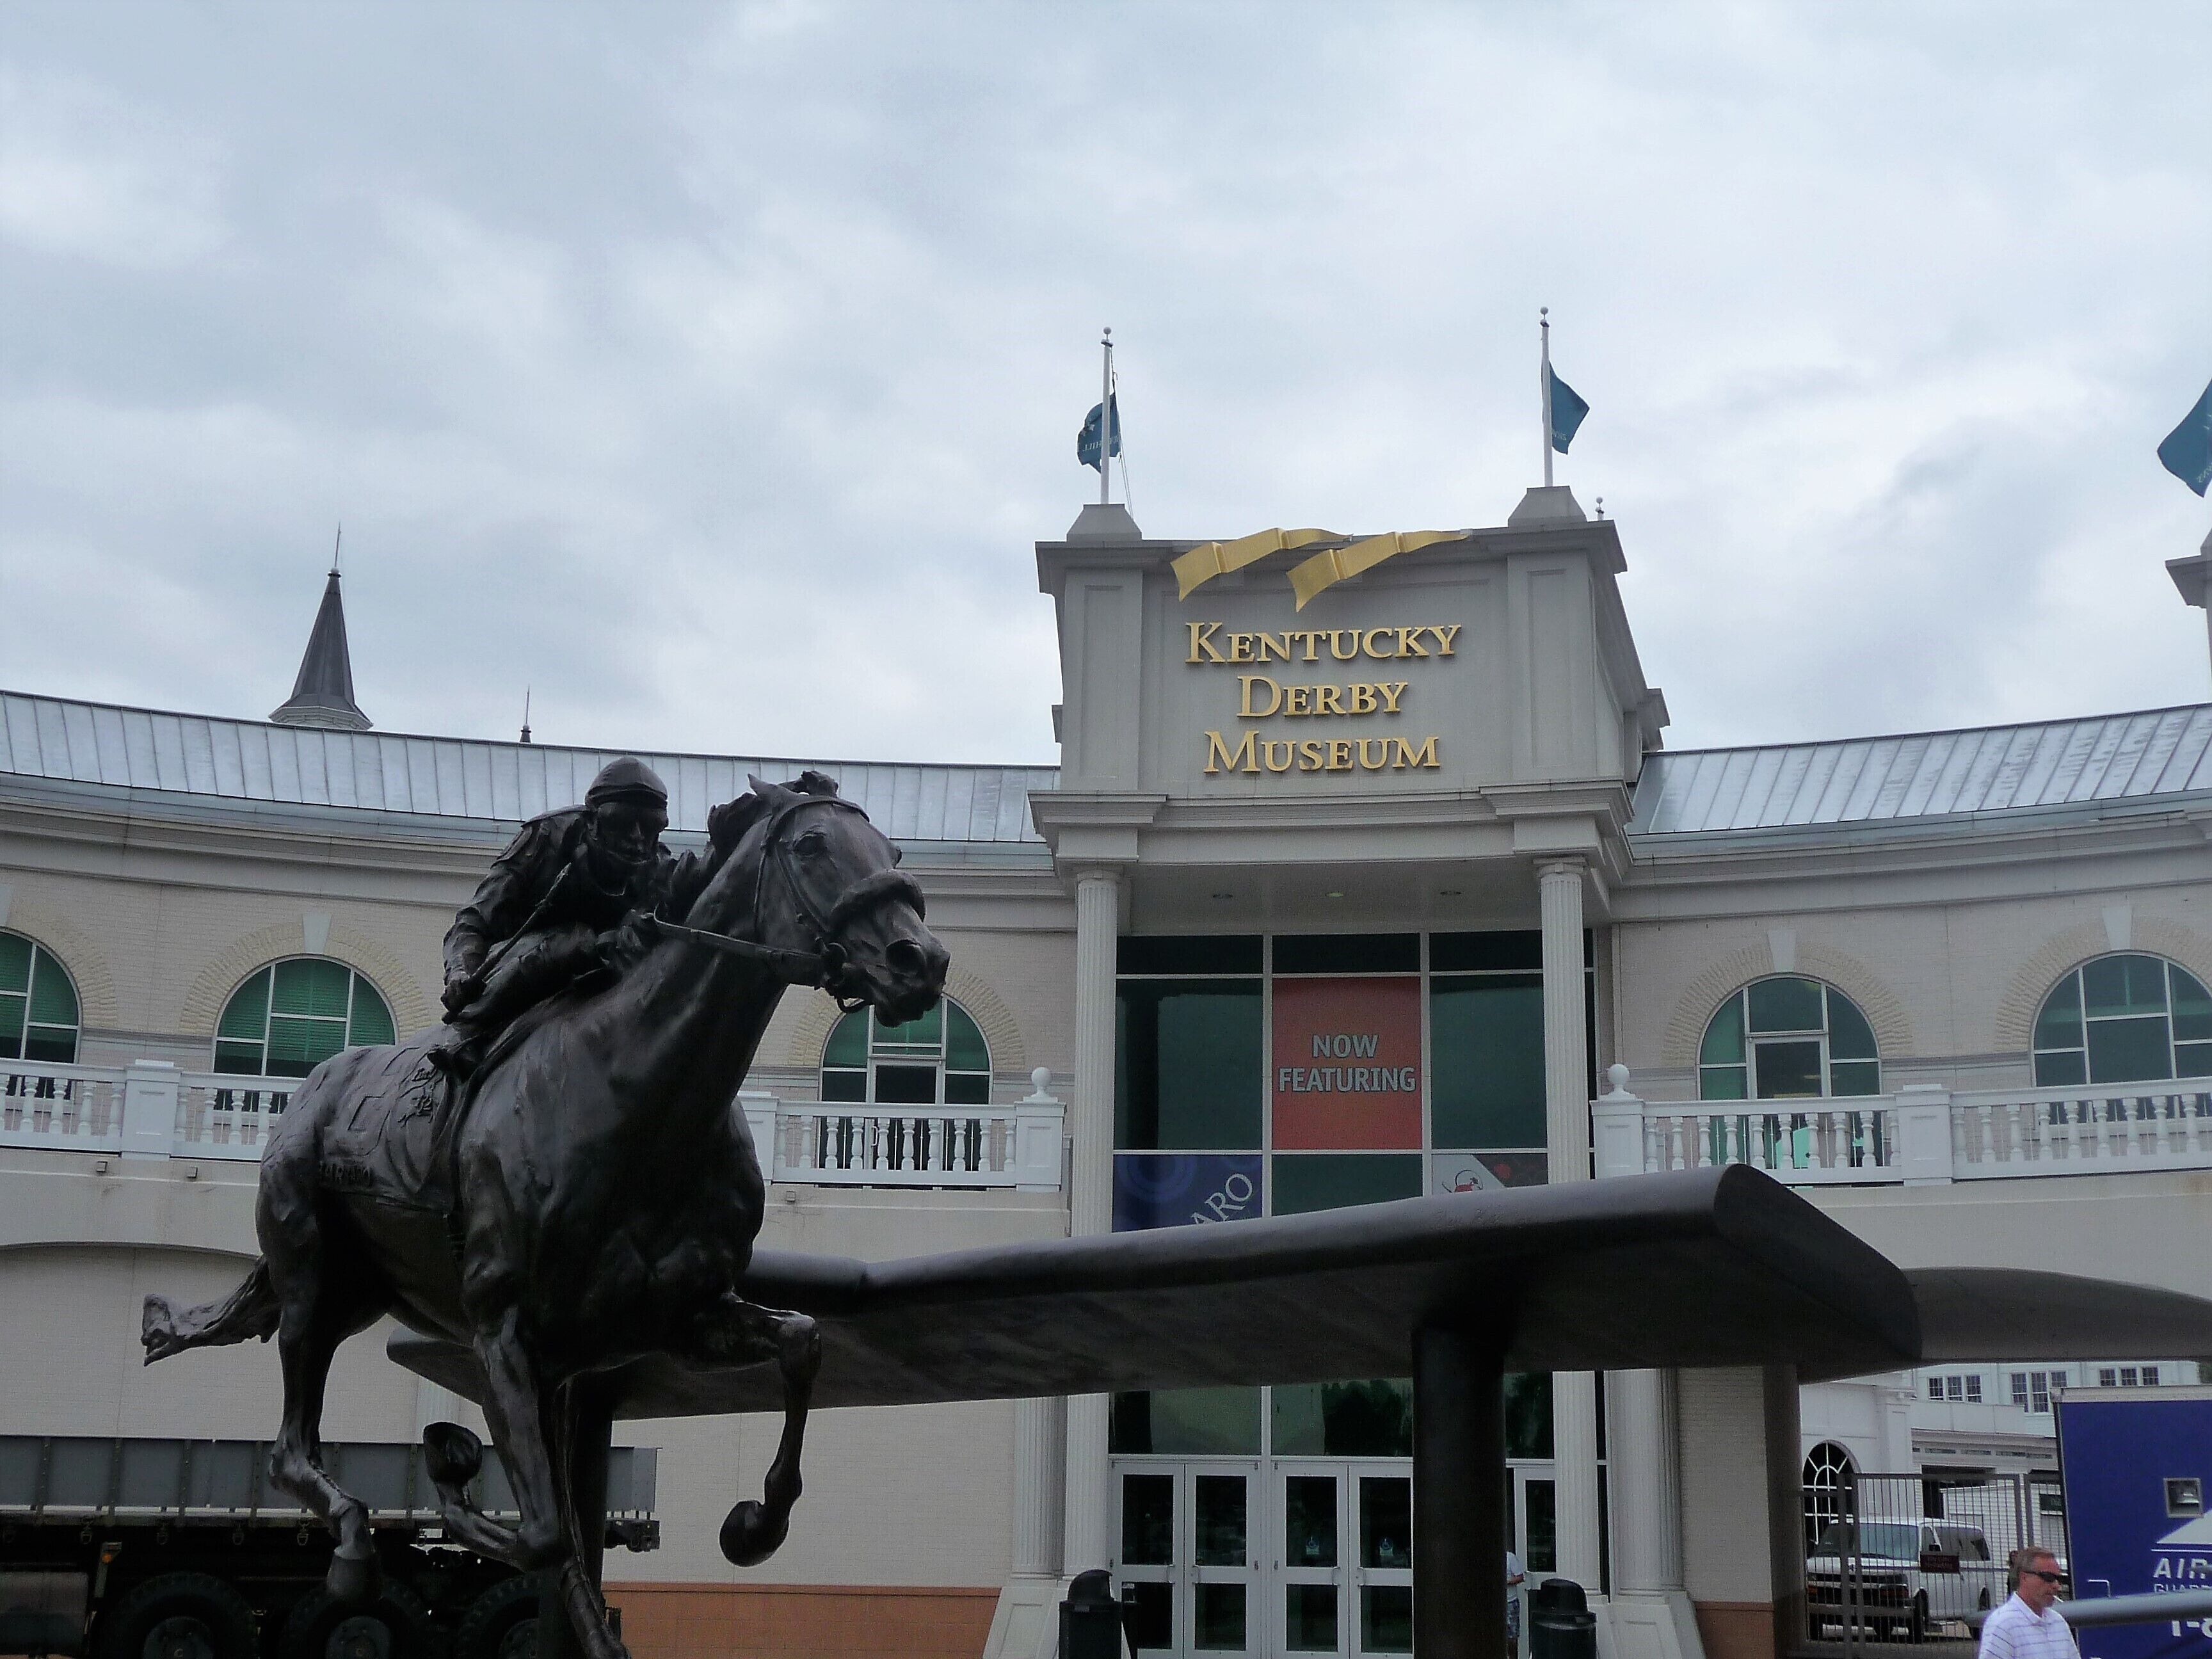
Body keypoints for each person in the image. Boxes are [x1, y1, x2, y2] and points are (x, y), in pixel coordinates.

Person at [431, 757, 732, 1079]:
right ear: (592, 822)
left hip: (604, 969)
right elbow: (474, 920)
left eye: (650, 827)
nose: (637, 837)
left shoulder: (657, 867)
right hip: (523, 963)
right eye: (622, 822)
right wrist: (461, 972)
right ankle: (468, 1036)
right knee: (574, 939)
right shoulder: (545, 838)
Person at [1978, 1548, 2075, 1659]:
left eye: (2059, 1579)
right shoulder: (2002, 1624)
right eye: (2048, 1577)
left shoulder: (2058, 1621)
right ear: (2024, 1577)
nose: (2057, 1586)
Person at [1505, 1549, 1526, 1651]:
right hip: (1493, 1604)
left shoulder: (1510, 1558)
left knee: (1512, 1637)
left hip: (1510, 1602)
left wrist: (1506, 1582)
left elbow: (1520, 1577)